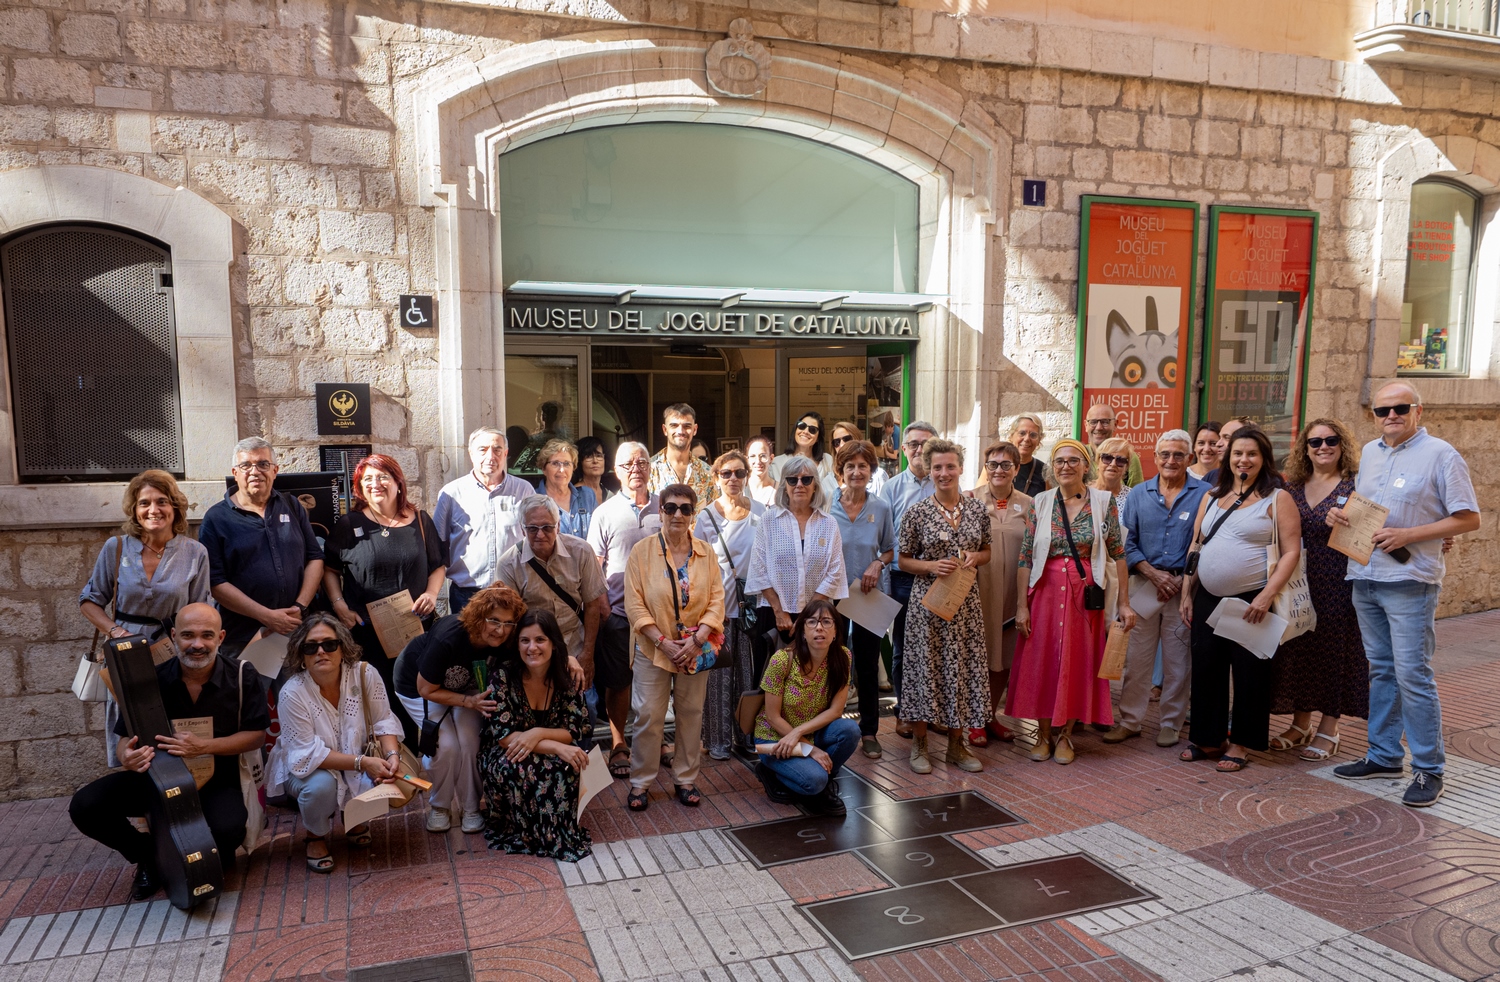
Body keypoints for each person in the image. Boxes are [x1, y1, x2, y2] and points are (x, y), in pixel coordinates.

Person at [1330, 383, 1480, 806]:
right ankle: (1383, 755)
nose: (1391, 415)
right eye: (1383, 410)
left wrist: (1409, 535)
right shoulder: (1371, 453)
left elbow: (1469, 518)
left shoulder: (1441, 455)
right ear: (1374, 415)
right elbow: (1369, 508)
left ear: (1418, 410)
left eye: (1400, 408)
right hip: (1364, 575)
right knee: (1381, 670)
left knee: (1413, 674)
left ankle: (1429, 769)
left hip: (1410, 580)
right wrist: (1341, 514)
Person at [69, 604, 270, 900]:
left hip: (216, 780)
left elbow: (256, 736)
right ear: (174, 636)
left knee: (228, 830)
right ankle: (147, 856)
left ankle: (207, 851)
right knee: (85, 806)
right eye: (188, 635)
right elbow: (125, 739)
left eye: (206, 635)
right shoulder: (150, 680)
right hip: (158, 780)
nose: (197, 644)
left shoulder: (241, 675)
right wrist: (127, 756)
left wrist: (204, 747)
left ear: (220, 638)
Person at [1178, 428, 1301, 773]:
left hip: (1252, 599)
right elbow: (1196, 546)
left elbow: (1292, 552)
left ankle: (1241, 743)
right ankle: (1208, 738)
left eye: (1251, 454)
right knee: (1206, 669)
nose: (1243, 460)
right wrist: (1187, 592)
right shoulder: (1210, 496)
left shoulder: (1277, 499)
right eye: (1237, 453)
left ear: (1264, 459)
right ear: (1227, 457)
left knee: (1250, 674)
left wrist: (1266, 595)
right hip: (1208, 596)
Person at [1009, 439, 1135, 765]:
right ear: (1053, 467)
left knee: (1078, 661)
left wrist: (1124, 603)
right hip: (1045, 593)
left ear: (1085, 466)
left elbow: (1119, 554)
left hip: (1085, 595)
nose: (1066, 466)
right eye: (1060, 461)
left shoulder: (1103, 502)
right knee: (1043, 660)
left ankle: (1066, 734)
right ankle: (1043, 734)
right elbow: (1025, 557)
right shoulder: (1041, 502)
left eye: (1073, 460)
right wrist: (1022, 606)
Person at [81, 471, 211, 766]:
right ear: (134, 510)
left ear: (175, 506)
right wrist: (115, 631)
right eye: (144, 503)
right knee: (130, 731)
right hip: (126, 654)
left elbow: (201, 610)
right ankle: (136, 791)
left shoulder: (195, 553)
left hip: (173, 653)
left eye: (162, 501)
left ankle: (175, 787)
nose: (154, 510)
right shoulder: (116, 548)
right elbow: (89, 601)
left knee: (173, 726)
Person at [322, 454, 447, 749]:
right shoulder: (348, 524)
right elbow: (329, 569)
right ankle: (374, 764)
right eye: (367, 479)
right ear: (360, 487)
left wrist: (431, 594)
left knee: (408, 701)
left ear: (398, 482)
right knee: (372, 703)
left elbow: (438, 565)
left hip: (412, 630)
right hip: (365, 633)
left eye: (382, 477)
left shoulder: (421, 521)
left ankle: (408, 765)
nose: (375, 484)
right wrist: (339, 605)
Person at [265, 613, 404, 873]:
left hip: (359, 756)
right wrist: (363, 763)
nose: (321, 652)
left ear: (342, 648)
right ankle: (315, 836)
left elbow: (383, 720)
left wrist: (392, 755)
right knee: (320, 787)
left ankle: (353, 819)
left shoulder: (365, 673)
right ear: (301, 655)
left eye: (329, 644)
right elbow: (307, 754)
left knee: (380, 774)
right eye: (310, 647)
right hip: (306, 767)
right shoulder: (292, 693)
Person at [622, 483, 726, 811]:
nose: (677, 514)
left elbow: (717, 600)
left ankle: (686, 778)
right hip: (653, 647)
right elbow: (634, 604)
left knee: (691, 714)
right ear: (660, 512)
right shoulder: (641, 552)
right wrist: (663, 642)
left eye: (685, 508)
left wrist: (697, 640)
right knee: (648, 715)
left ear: (693, 514)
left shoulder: (706, 553)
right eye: (670, 508)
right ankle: (641, 781)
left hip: (695, 649)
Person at [1269, 419, 1367, 761]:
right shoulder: (1292, 486)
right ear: (1305, 449)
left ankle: (1329, 728)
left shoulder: (1356, 486)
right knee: (1299, 651)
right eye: (1315, 442)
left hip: (1338, 583)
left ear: (1343, 445)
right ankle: (1300, 724)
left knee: (1333, 654)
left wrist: (1346, 524)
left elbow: (1373, 531)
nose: (1323, 447)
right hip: (1297, 582)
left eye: (1331, 440)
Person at [897, 438, 992, 774]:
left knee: (961, 670)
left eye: (950, 466)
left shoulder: (978, 510)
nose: (944, 473)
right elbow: (903, 560)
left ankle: (956, 745)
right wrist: (931, 566)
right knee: (925, 671)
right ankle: (920, 744)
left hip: (965, 605)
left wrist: (975, 557)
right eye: (937, 467)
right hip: (927, 606)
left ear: (961, 468)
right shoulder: (917, 513)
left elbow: (988, 551)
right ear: (929, 470)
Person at [1108, 430, 1208, 747]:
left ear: (1189, 458)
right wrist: (1153, 574)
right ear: (1155, 457)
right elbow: (1126, 543)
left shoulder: (1206, 494)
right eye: (1165, 454)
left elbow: (1206, 542)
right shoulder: (1139, 494)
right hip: (1144, 585)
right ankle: (1130, 721)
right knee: (1136, 660)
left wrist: (1179, 580)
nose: (1171, 460)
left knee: (1178, 662)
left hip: (1184, 590)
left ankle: (1171, 724)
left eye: (1179, 454)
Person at [477, 610, 593, 861]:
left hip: (544, 746)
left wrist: (537, 733)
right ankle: (527, 833)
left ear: (553, 643)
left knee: (565, 767)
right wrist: (557, 747)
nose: (532, 648)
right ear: (517, 644)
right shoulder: (502, 676)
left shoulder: (567, 676)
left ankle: (554, 831)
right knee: (523, 766)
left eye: (540, 640)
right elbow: (505, 737)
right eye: (525, 640)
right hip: (505, 751)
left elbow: (574, 728)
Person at [415, 584, 527, 833]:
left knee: (471, 741)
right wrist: (467, 702)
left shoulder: (506, 640)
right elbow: (425, 689)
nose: (500, 630)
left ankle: (471, 807)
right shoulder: (449, 637)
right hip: (423, 687)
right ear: (479, 616)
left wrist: (569, 659)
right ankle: (440, 806)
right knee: (446, 745)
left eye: (508, 623)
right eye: (494, 620)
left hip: (469, 687)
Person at [199, 437, 323, 657]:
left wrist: (300, 607)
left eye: (263, 464)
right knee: (245, 681)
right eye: (246, 465)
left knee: (296, 680)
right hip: (243, 636)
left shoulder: (292, 506)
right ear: (235, 473)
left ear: (275, 471)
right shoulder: (216, 518)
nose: (255, 471)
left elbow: (315, 558)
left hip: (295, 627)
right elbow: (215, 582)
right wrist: (266, 616)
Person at [586, 442, 662, 778]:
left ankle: (655, 742)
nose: (636, 469)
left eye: (642, 462)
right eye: (628, 464)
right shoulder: (604, 512)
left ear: (650, 467)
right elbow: (594, 565)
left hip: (661, 615)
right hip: (619, 614)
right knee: (618, 682)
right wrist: (603, 606)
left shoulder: (665, 506)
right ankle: (619, 743)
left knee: (658, 682)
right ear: (616, 471)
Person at [754, 600, 861, 815]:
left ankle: (820, 776)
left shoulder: (843, 657)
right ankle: (770, 771)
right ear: (802, 632)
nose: (819, 628)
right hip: (776, 738)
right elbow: (772, 717)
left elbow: (836, 711)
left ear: (835, 631)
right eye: (812, 622)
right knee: (814, 781)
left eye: (826, 622)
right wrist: (810, 749)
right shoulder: (782, 660)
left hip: (809, 732)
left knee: (850, 730)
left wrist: (801, 735)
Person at [496, 494, 608, 697]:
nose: (540, 535)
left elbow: (593, 605)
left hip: (575, 645)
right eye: (533, 528)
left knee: (587, 707)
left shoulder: (581, 551)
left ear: (558, 526)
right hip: (534, 652)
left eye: (547, 527)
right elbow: (509, 620)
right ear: (523, 529)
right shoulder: (509, 564)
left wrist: (587, 654)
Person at [745, 455, 849, 672]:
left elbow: (835, 571)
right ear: (784, 485)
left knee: (815, 678)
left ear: (815, 485)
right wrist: (780, 612)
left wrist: (808, 615)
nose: (799, 484)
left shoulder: (829, 523)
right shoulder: (768, 520)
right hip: (775, 615)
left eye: (806, 479)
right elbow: (758, 568)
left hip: (818, 617)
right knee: (772, 677)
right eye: (792, 480)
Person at [694, 451, 766, 760]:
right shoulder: (706, 517)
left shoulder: (762, 511)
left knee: (749, 677)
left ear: (747, 476)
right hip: (718, 611)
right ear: (716, 478)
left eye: (739, 473)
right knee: (718, 679)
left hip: (752, 609)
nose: (733, 479)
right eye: (726, 473)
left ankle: (746, 736)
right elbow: (697, 566)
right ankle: (718, 742)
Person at [830, 440, 895, 759]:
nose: (857, 472)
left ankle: (869, 731)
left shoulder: (880, 507)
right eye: (850, 466)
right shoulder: (826, 505)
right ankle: (828, 726)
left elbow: (890, 548)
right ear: (840, 471)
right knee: (831, 663)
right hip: (832, 594)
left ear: (871, 470)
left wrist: (877, 563)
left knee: (867, 666)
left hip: (868, 594)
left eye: (863, 466)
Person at [968, 440, 1034, 748]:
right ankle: (973, 719)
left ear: (1016, 469)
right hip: (979, 590)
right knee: (977, 655)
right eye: (993, 464)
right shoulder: (970, 499)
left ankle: (989, 715)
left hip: (1013, 592)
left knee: (1004, 656)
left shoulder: (1030, 504)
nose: (999, 470)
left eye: (1006, 465)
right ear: (986, 467)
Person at [433, 427, 538, 614]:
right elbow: (437, 546)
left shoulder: (524, 491)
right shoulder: (451, 494)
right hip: (466, 595)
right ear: (471, 454)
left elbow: (535, 539)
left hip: (513, 591)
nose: (491, 456)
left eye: (497, 450)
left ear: (505, 454)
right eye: (483, 450)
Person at [879, 420, 937, 736]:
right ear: (903, 449)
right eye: (913, 444)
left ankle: (934, 712)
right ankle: (905, 711)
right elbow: (884, 539)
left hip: (939, 579)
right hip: (902, 578)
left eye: (925, 443)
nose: (919, 449)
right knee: (903, 648)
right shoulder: (890, 488)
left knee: (937, 648)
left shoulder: (945, 482)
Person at [648, 403, 717, 505]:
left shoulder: (707, 473)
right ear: (665, 430)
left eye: (686, 426)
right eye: (674, 426)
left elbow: (714, 512)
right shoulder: (649, 469)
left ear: (695, 429)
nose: (680, 431)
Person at [539, 440, 598, 538]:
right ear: (544, 468)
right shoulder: (534, 501)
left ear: (573, 468)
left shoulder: (587, 496)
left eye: (566, 464)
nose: (562, 470)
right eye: (555, 463)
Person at [772, 411, 836, 492]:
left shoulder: (828, 461)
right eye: (801, 426)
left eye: (812, 430)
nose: (805, 432)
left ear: (818, 438)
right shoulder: (776, 464)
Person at [1083, 404, 1143, 486]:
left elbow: (1137, 492)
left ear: (1115, 424)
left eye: (1105, 422)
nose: (1099, 427)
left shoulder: (1127, 456)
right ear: (1086, 425)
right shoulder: (1080, 455)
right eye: (1093, 422)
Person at [830, 420, 886, 495]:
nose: (842, 445)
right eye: (837, 442)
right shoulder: (828, 480)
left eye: (846, 439)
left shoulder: (878, 475)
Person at [1009, 414, 1052, 498]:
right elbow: (983, 498)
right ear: (1011, 436)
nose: (1027, 439)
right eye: (1022, 433)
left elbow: (1049, 503)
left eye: (1033, 435)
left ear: (1039, 440)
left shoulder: (1045, 472)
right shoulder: (995, 466)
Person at [1093, 436, 1134, 516]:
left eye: (1120, 460)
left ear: (1126, 466)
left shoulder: (1133, 498)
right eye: (1107, 458)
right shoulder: (1084, 494)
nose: (1113, 464)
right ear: (1098, 461)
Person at [574, 436, 617, 502]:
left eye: (599, 456)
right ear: (579, 461)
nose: (595, 461)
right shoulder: (574, 493)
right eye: (589, 456)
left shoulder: (610, 495)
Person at [745, 435, 778, 506]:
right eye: (752, 456)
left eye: (763, 456)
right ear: (746, 460)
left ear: (771, 458)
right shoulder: (740, 489)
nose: (758, 461)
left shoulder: (781, 490)